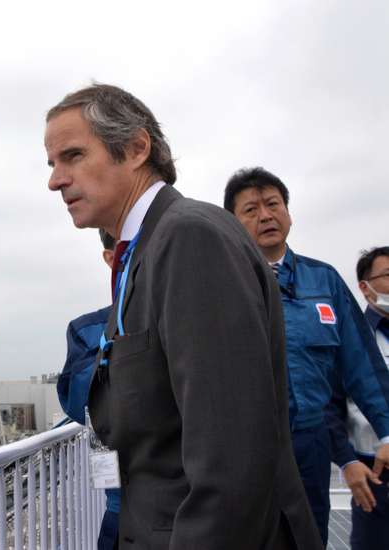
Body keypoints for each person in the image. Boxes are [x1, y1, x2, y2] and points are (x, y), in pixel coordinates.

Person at [44, 84, 320, 549]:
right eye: (52, 164)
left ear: (135, 148)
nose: (55, 180)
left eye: (72, 156)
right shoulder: (145, 250)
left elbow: (230, 459)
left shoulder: (190, 238)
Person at [223, 168, 389, 545]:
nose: (265, 215)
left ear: (288, 212)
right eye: (251, 209)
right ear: (233, 223)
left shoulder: (324, 280)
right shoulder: (220, 282)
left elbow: (362, 363)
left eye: (273, 204)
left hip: (310, 441)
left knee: (310, 534)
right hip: (245, 445)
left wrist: (386, 430)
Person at [56, 229, 117, 549]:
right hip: (124, 497)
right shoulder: (89, 330)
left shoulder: (187, 318)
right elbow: (78, 402)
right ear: (111, 258)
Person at [327, 246, 389, 549]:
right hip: (376, 475)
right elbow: (330, 406)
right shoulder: (349, 339)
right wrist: (346, 460)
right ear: (364, 288)